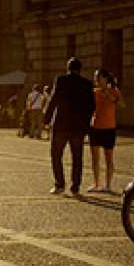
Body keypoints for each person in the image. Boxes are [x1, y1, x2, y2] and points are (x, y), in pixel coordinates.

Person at [43, 57, 95, 196]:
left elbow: (54, 99)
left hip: (61, 124)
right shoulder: (87, 84)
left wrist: (46, 119)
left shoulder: (61, 80)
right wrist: (86, 123)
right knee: (77, 157)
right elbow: (91, 106)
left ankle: (59, 184)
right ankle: (75, 187)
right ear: (80, 69)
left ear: (68, 68)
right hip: (78, 127)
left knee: (56, 155)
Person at [87, 68, 123, 193]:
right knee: (95, 158)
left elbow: (122, 105)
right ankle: (96, 183)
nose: (96, 80)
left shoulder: (115, 91)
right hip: (95, 127)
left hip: (109, 127)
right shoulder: (93, 92)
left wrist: (108, 93)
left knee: (109, 158)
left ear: (105, 78)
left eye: (98, 77)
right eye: (95, 77)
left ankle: (108, 185)